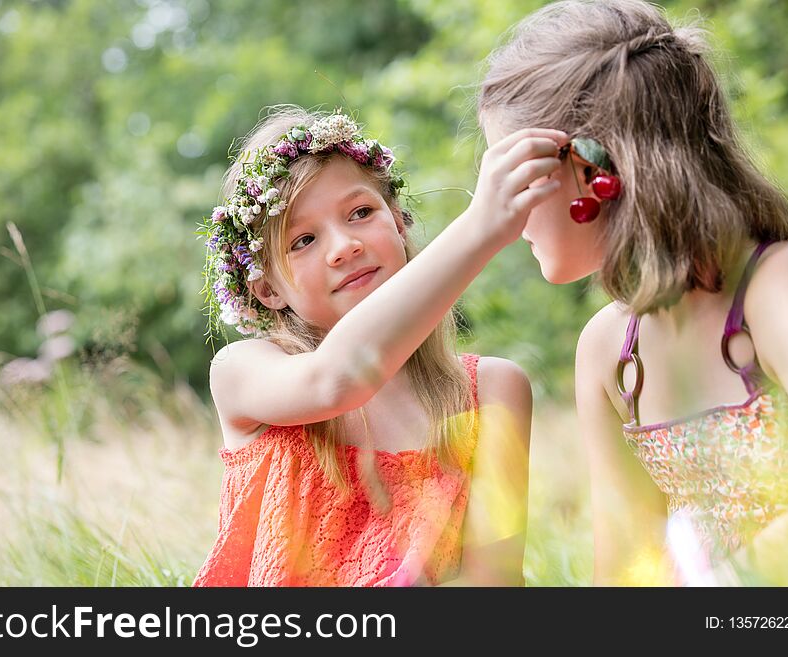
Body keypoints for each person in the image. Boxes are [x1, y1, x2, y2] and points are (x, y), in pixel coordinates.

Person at [478, 0, 788, 585]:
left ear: (591, 171)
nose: (503, 216)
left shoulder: (784, 288)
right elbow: (623, 574)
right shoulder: (609, 350)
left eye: (512, 177)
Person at [193, 107, 567, 585]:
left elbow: (494, 586)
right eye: (303, 240)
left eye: (361, 213)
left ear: (398, 222)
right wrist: (480, 228)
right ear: (267, 290)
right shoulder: (244, 371)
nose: (344, 245)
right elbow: (334, 381)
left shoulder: (492, 390)